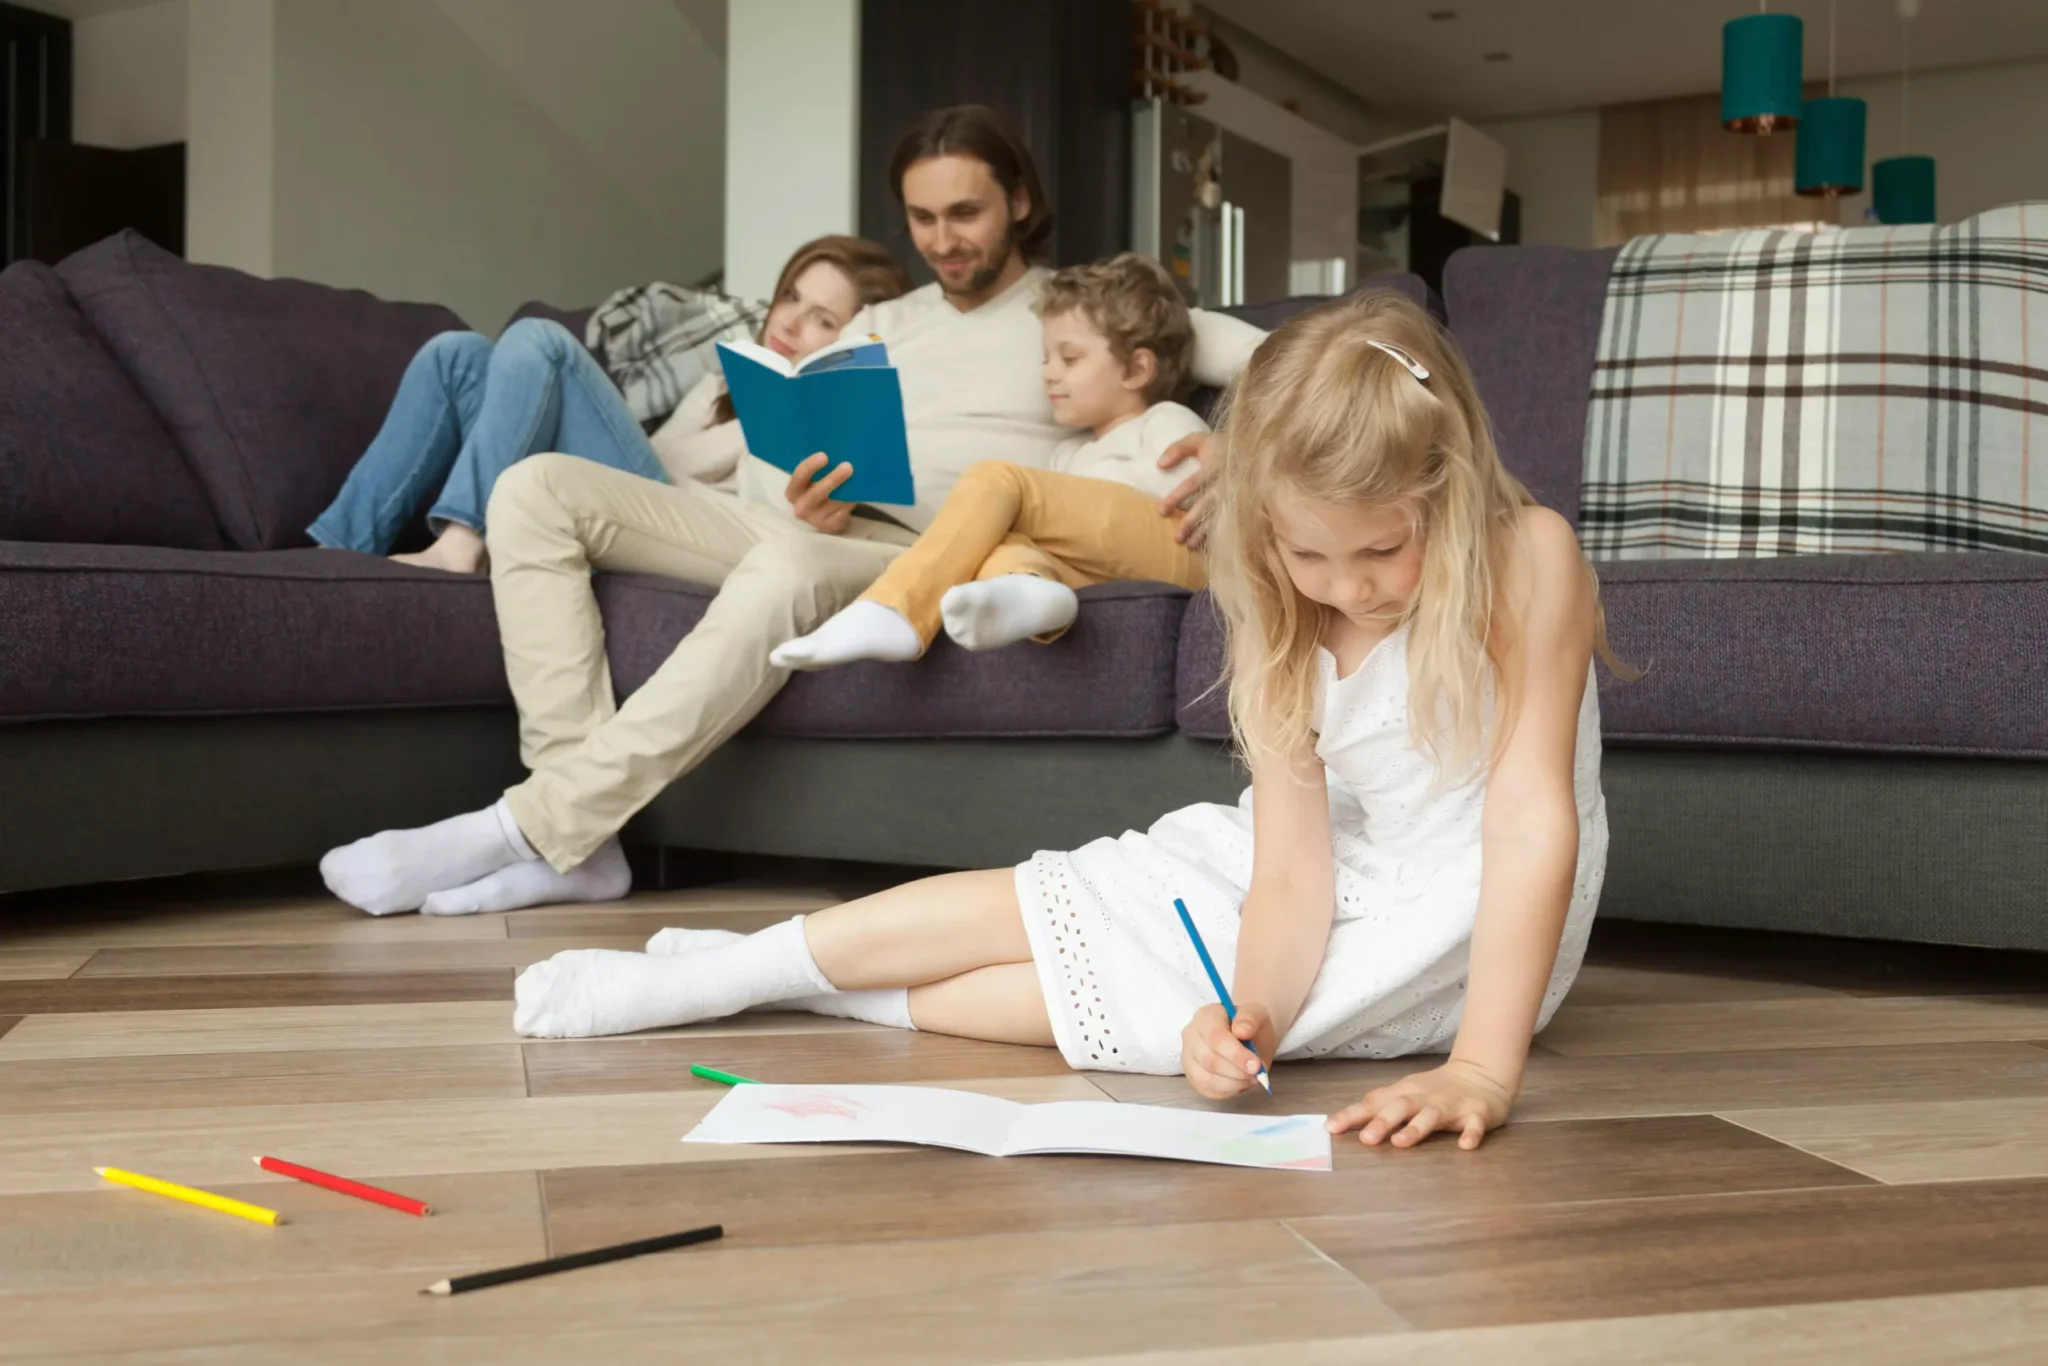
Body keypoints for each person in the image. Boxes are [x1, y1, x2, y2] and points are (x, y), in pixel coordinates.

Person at [510, 290, 1621, 1153]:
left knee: (1103, 1003)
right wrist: (1253, 1010)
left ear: (1449, 484)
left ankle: (788, 975)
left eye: (1382, 550)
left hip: (1469, 919)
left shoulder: (1528, 558)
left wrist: (1479, 1067)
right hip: (1324, 876)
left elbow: (1527, 824)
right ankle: (722, 973)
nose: (1348, 588)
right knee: (1067, 905)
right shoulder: (1286, 599)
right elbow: (1291, 867)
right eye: (1306, 554)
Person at [317, 104, 1264, 919]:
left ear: (1019, 200)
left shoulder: (1072, 311)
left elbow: (1262, 356)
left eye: (966, 212)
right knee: (535, 489)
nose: (944, 239)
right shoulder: (884, 323)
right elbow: (783, 445)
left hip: (919, 554)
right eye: (923, 218)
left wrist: (1243, 440)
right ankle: (586, 843)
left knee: (786, 569)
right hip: (815, 522)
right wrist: (799, 487)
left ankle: (533, 823)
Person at [308, 237, 910, 574]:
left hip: (673, 525)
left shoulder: (835, 419)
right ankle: (335, 553)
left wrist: (767, 420)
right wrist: (747, 418)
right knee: (456, 354)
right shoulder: (729, 384)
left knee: (541, 340)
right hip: (643, 480)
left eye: (822, 319)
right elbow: (664, 455)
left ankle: (463, 543)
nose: (790, 322)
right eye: (790, 297)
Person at [770, 252, 1209, 669]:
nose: (1049, 372)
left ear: (1137, 370)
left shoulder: (1165, 420)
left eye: (1069, 358)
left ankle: (894, 608)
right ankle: (1036, 590)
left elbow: (1209, 498)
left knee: (997, 480)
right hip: (1110, 566)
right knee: (996, 539)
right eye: (1046, 357)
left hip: (1182, 546)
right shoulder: (1068, 453)